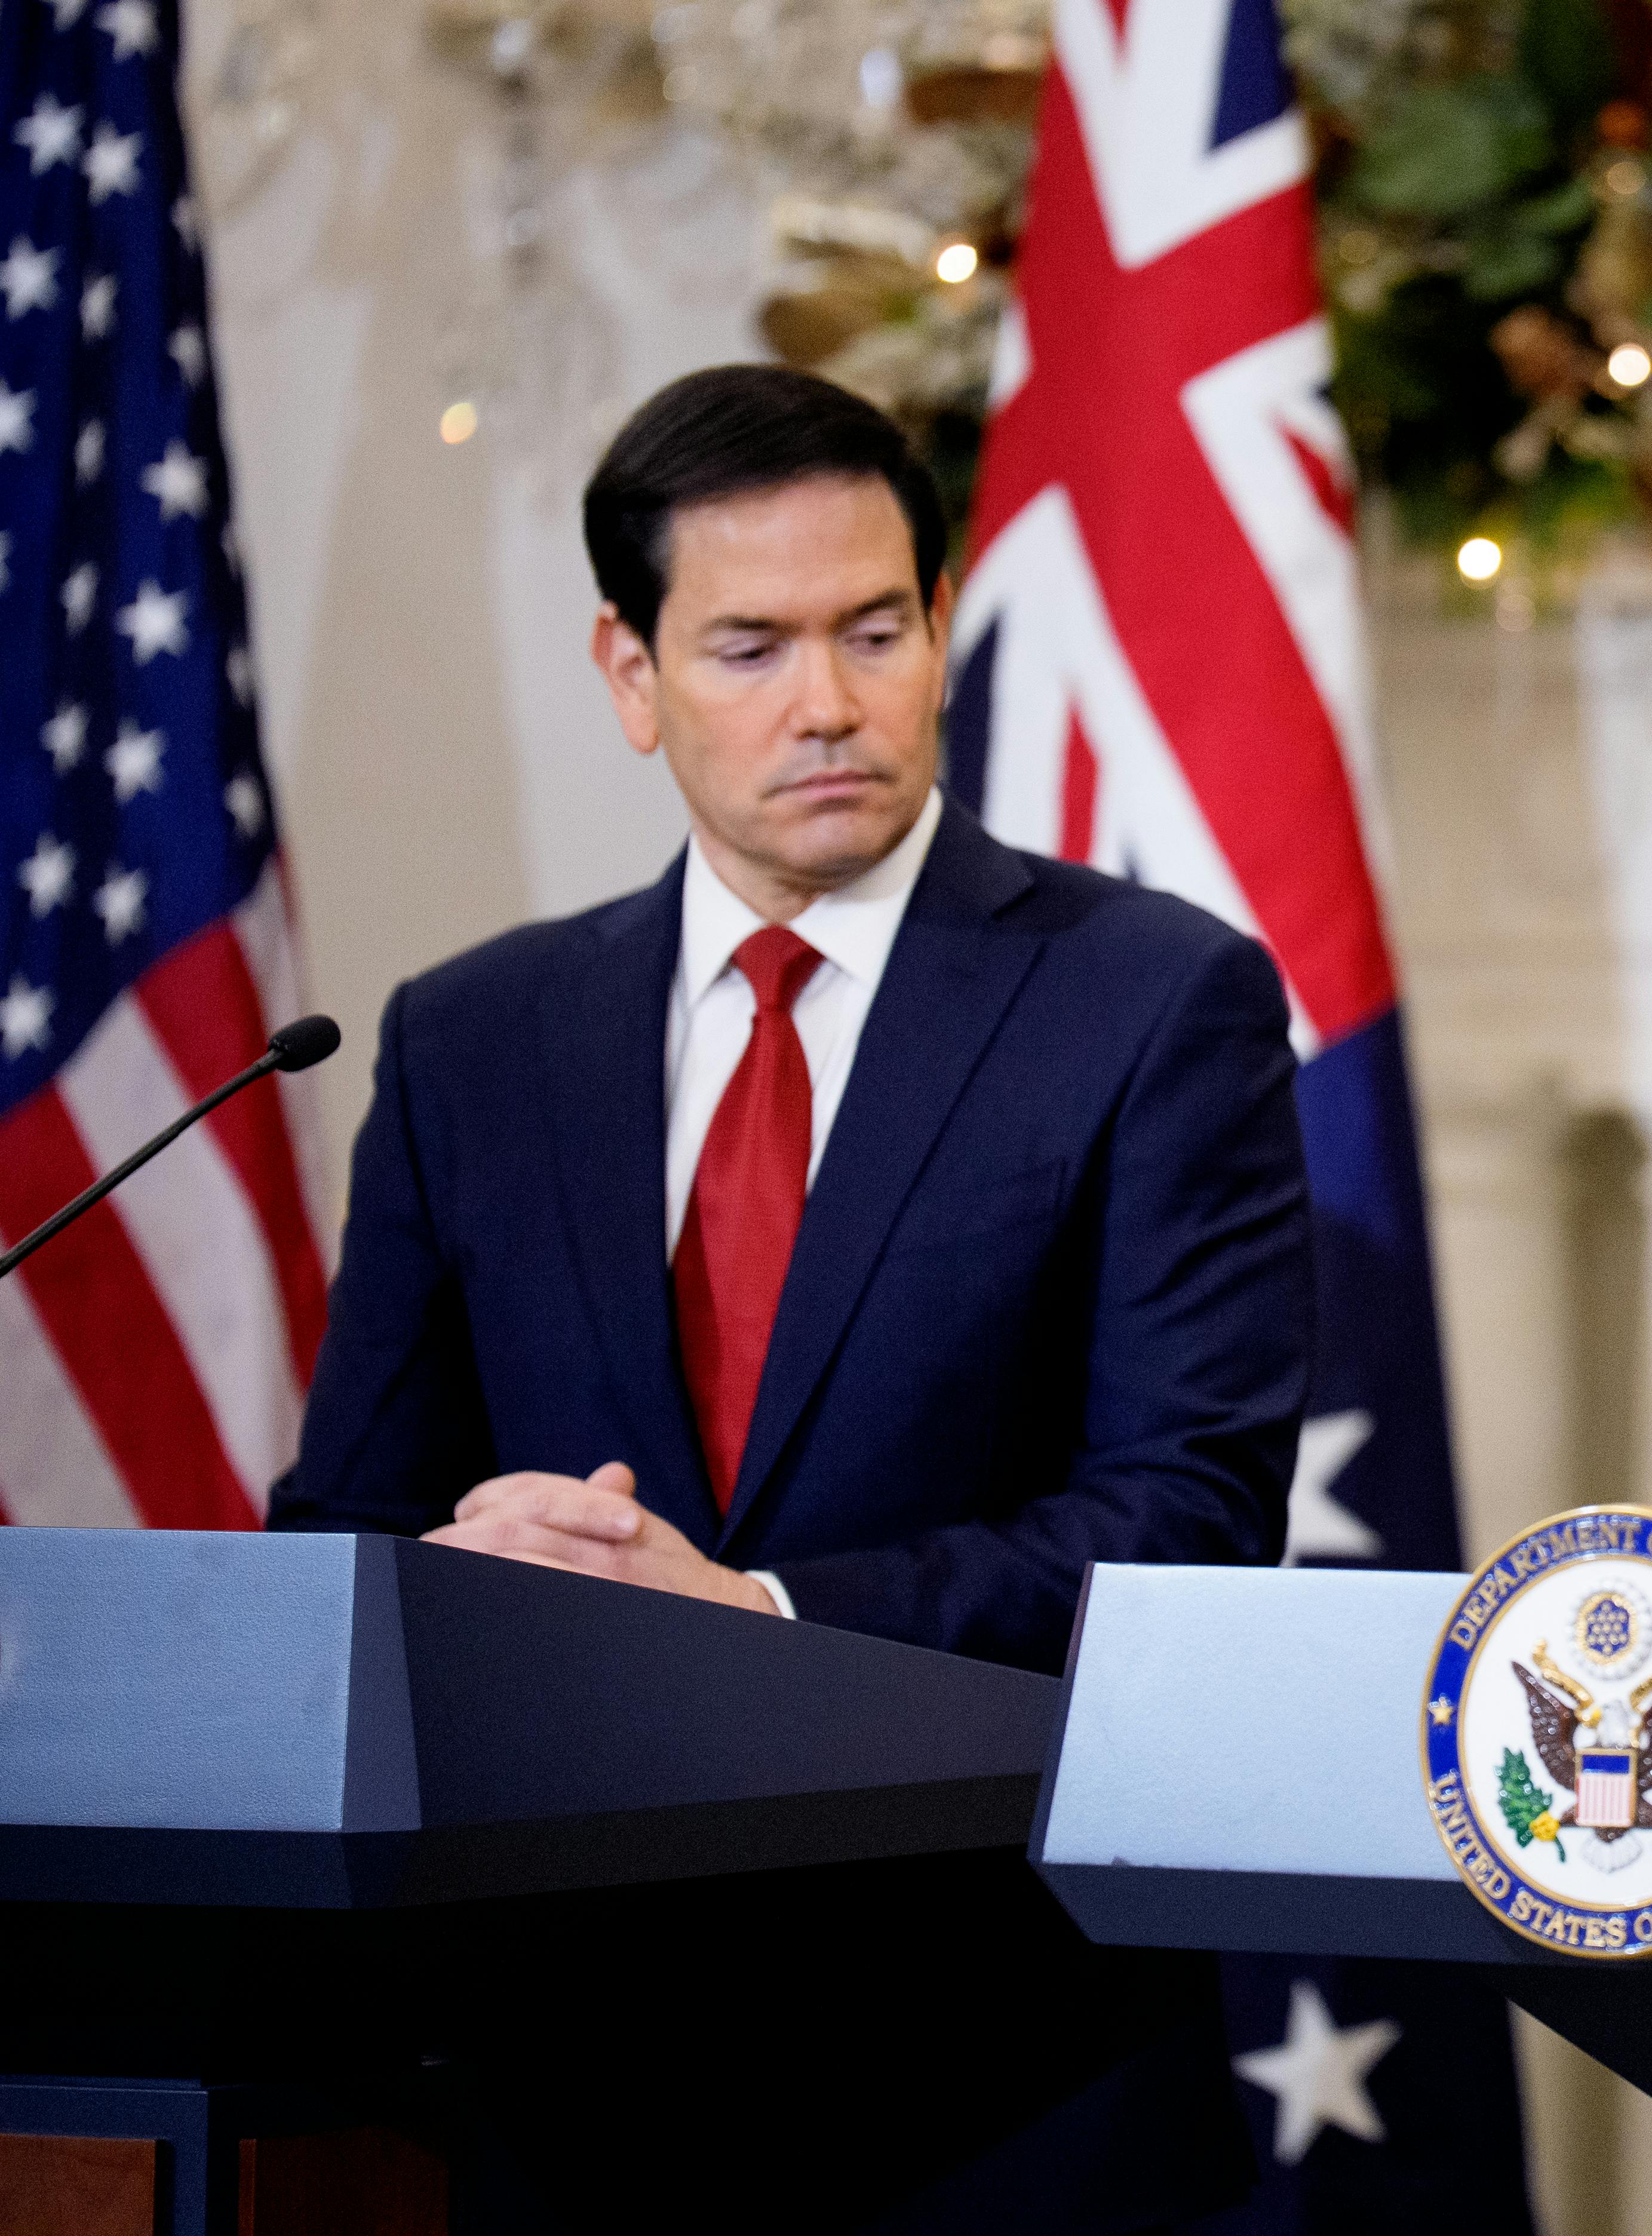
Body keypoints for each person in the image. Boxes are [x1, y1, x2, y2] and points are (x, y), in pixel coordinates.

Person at [270, 364, 1306, 2228]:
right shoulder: (470, 1041)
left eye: (877, 629)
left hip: (1003, 2069)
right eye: (748, 646)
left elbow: (1191, 1520)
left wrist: (750, 1613)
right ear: (629, 675)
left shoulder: (1154, 1000)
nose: (829, 704)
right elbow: (344, 1534)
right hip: (566, 2078)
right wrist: (481, 1564)